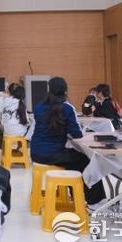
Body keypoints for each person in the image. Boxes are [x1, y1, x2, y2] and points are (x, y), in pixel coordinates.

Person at [30, 77, 106, 207]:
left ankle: (77, 196)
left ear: (49, 90)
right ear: (65, 92)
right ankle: (95, 202)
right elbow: (77, 134)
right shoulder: (67, 108)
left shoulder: (38, 107)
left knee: (73, 161)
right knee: (86, 160)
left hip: (35, 152)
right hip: (53, 153)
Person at [0, 85, 31, 149]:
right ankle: (26, 144)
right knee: (32, 125)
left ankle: (2, 145)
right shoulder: (21, 103)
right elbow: (26, 122)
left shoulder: (5, 101)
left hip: (6, 131)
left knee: (0, 129)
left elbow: (1, 116)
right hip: (18, 132)